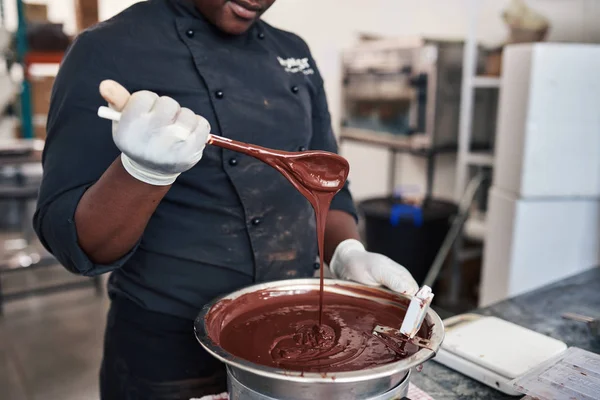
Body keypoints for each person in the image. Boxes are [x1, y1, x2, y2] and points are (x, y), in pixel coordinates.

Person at [34, 0, 419, 398]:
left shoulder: (293, 52)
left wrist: (347, 252)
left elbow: (325, 181)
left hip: (287, 339)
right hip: (168, 357)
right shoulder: (107, 48)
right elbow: (72, 241)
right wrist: (142, 173)